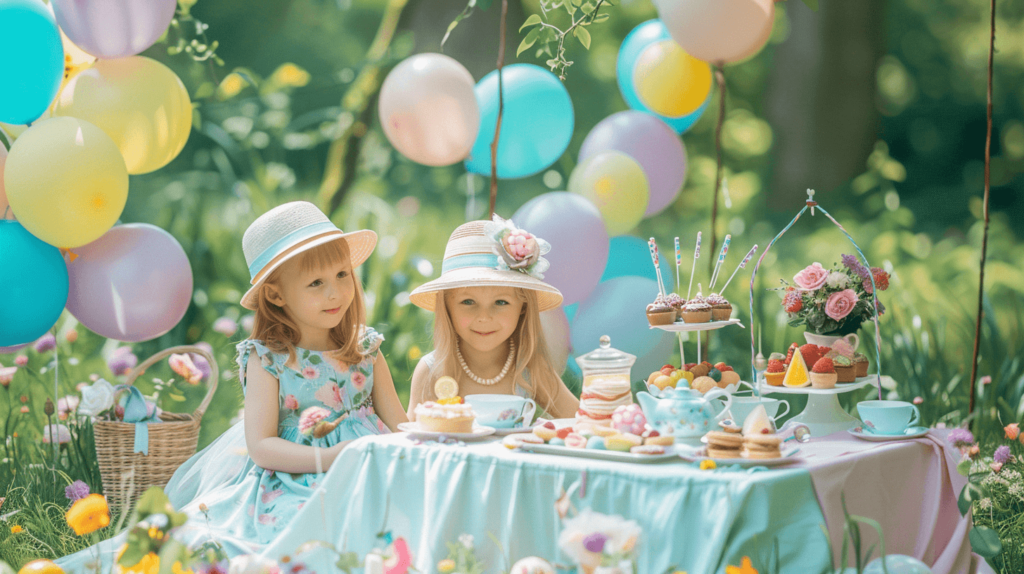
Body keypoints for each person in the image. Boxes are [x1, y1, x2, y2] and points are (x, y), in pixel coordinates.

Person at [58, 201, 407, 571]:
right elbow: (262, 446)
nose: (335, 292)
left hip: (371, 467)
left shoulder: (364, 348)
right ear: (276, 295)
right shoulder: (270, 358)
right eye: (316, 283)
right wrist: (333, 457)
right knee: (298, 537)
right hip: (294, 479)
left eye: (342, 275)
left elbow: (399, 422)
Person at [406, 215, 579, 420]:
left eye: (501, 303)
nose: (484, 317)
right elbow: (409, 443)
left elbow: (581, 422)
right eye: (468, 302)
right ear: (447, 308)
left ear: (522, 308)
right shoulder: (432, 372)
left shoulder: (529, 371)